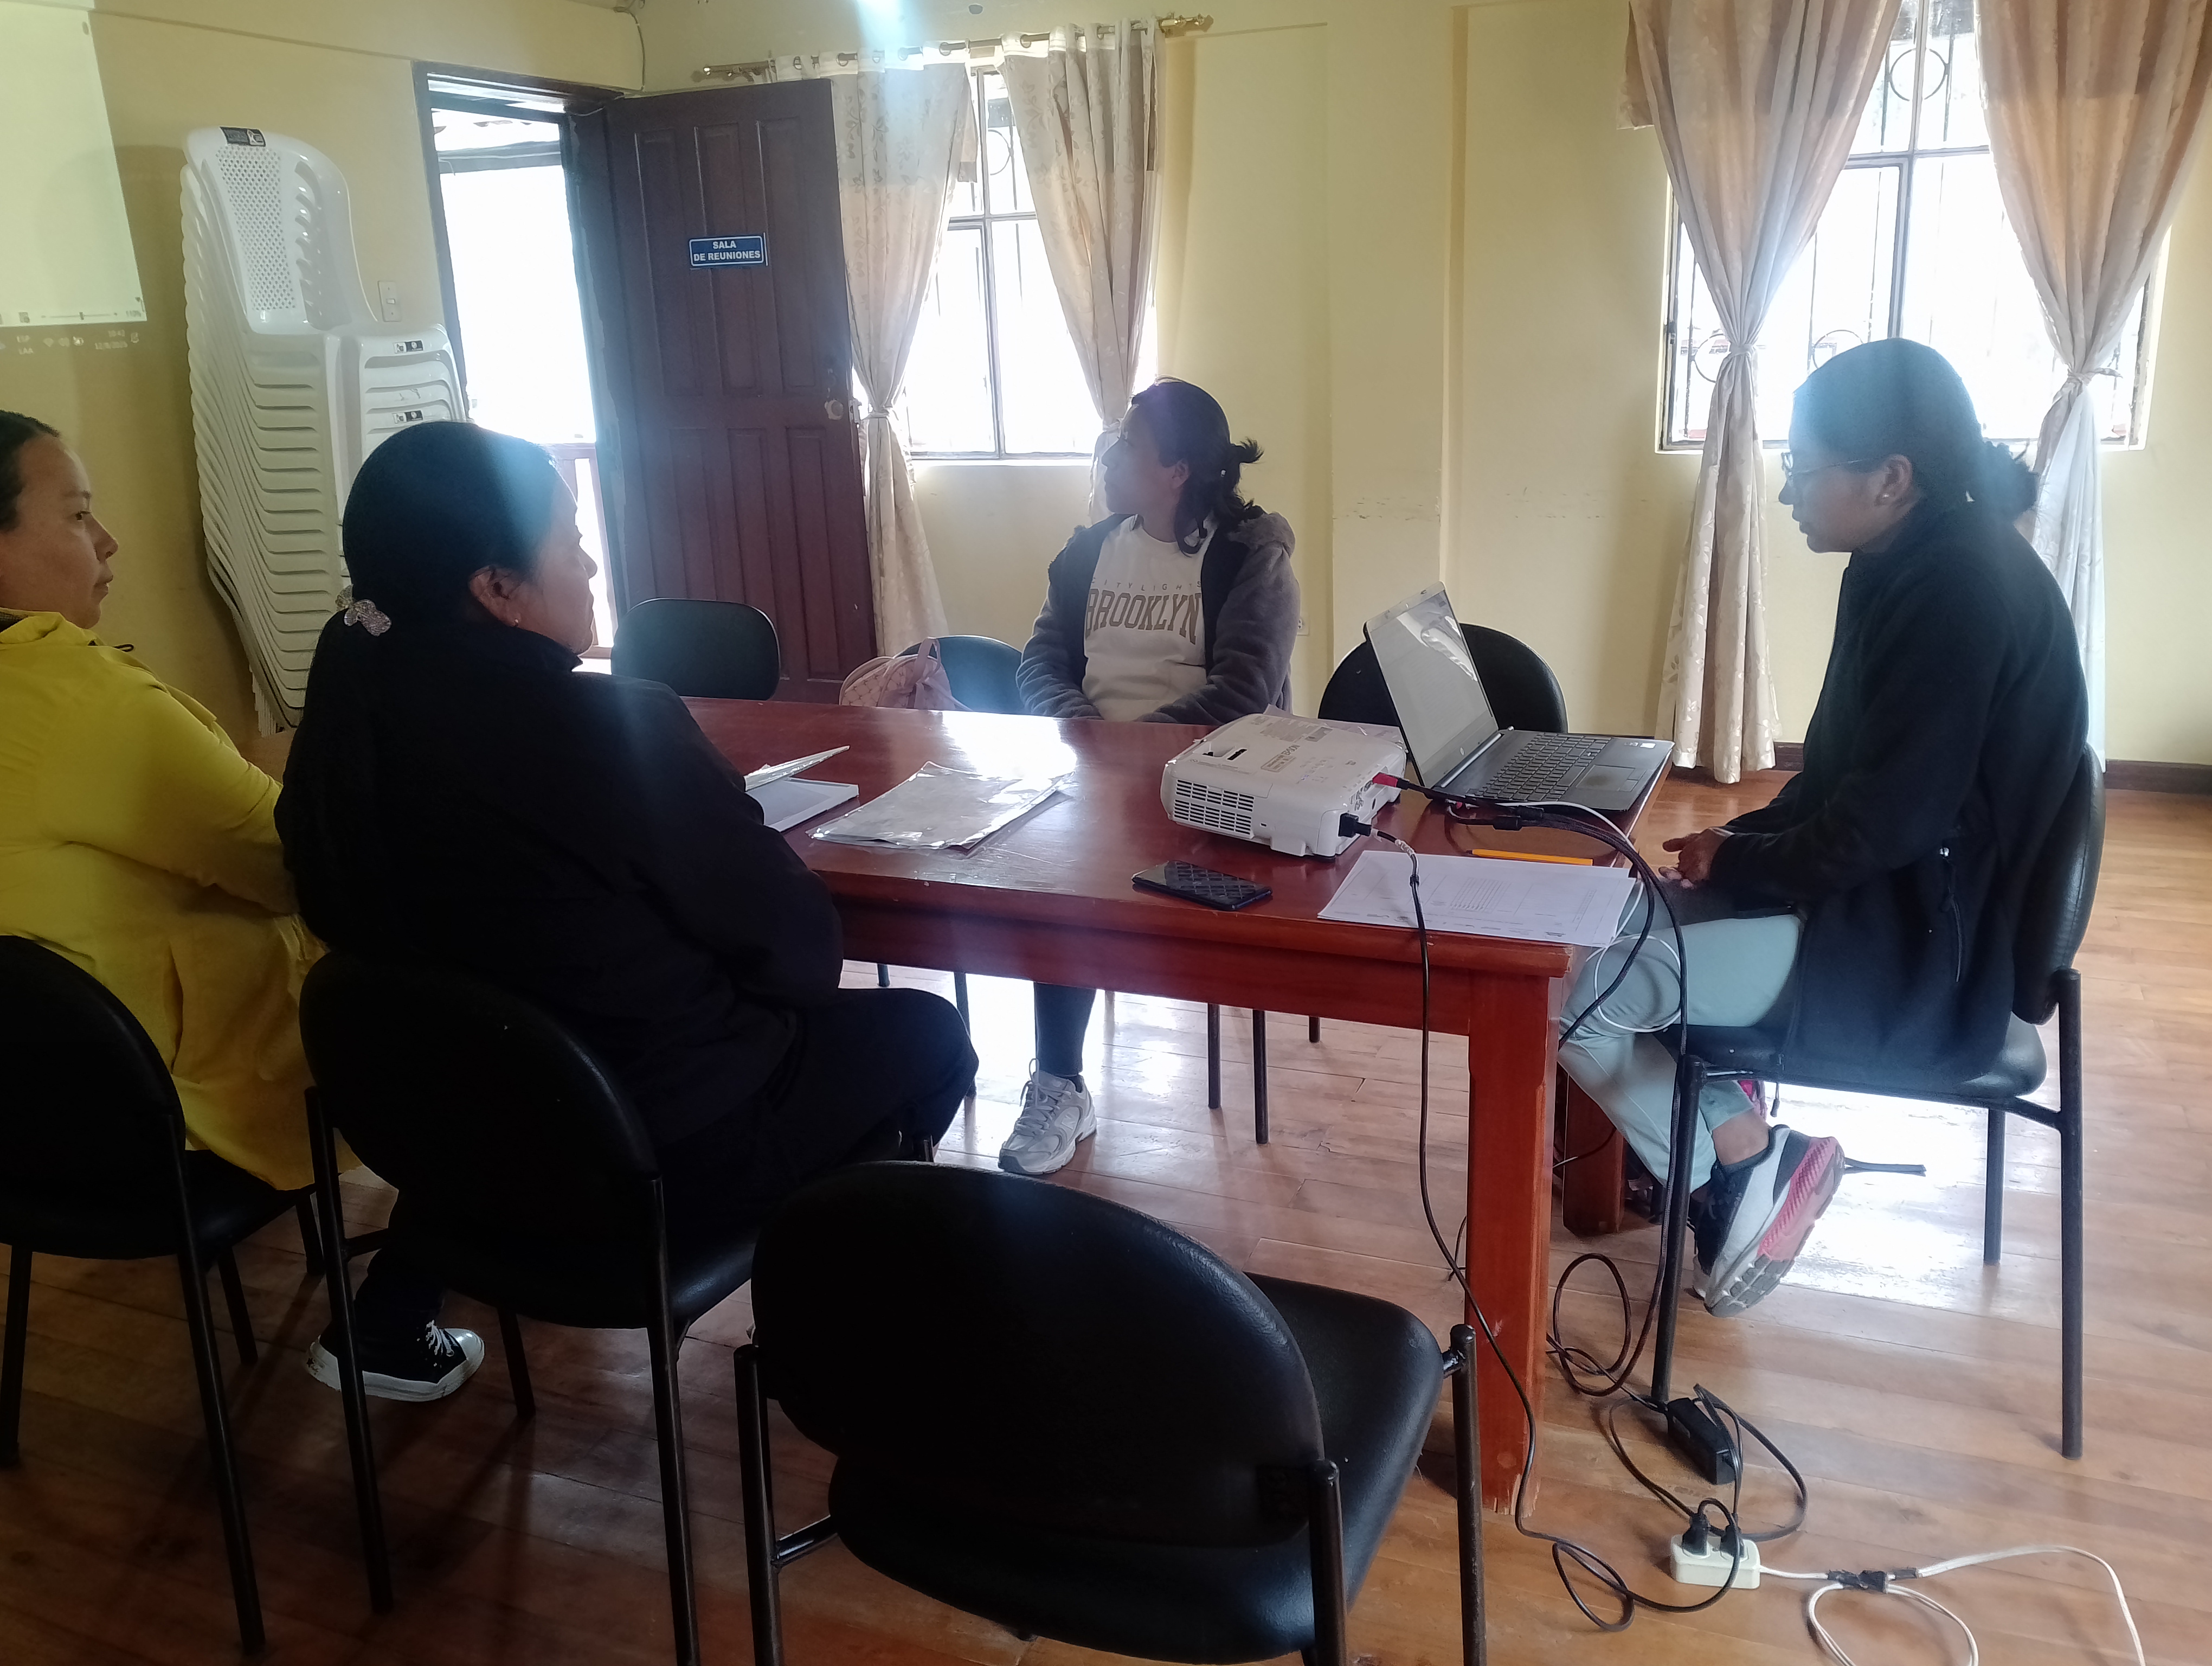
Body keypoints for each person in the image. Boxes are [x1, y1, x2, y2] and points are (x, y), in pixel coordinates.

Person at [279, 421, 975, 1398]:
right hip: (653, 1163)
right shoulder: (607, 731)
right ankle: (820, 1319)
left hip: (463, 1142)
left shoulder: (339, 735)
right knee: (928, 1036)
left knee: (501, 1058)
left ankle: (392, 1313)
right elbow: (799, 954)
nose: (591, 564)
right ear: (498, 588)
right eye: (570, 541)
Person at [1558, 339, 2087, 1317]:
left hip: (1917, 957)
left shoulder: (1957, 592)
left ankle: (1741, 1167)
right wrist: (1734, 848)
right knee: (1613, 922)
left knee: (1575, 994)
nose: (1787, 493)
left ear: (1891, 478)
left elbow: (1890, 821)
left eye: (1803, 470)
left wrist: (1746, 866)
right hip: (1899, 905)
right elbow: (1849, 779)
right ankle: (1745, 1161)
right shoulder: (1912, 561)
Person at [0, 411, 321, 1187]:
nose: (107, 540)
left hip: (23, 1119)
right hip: (162, 1118)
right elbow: (296, 864)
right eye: (78, 515)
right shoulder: (84, 700)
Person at [1005, 379, 1298, 1176]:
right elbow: (1040, 660)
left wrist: (1135, 754)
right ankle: (1061, 1083)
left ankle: (1067, 1071)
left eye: (1129, 445)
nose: (1110, 456)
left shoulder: (1248, 559)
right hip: (1091, 774)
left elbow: (1245, 691)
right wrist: (1090, 735)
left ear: (1177, 470)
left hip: (1202, 786)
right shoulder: (1089, 550)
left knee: (1082, 871)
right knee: (1050, 876)